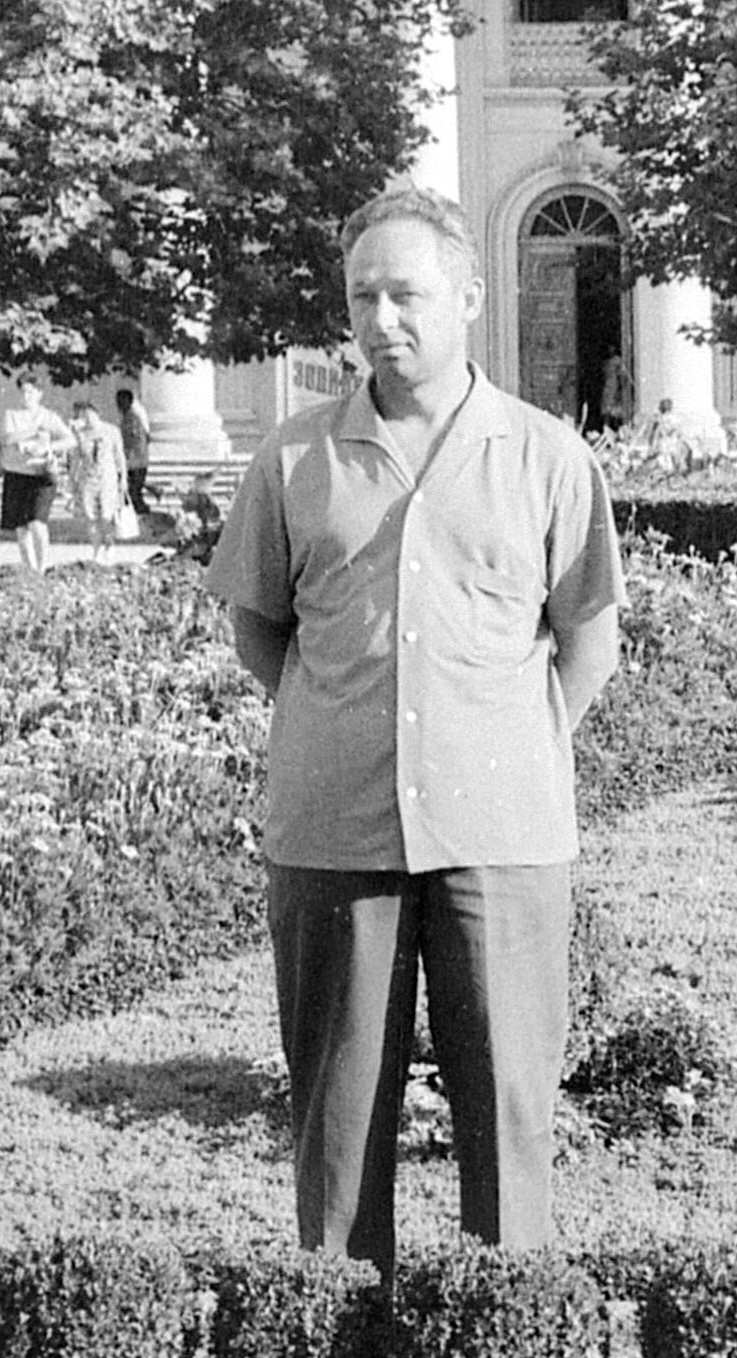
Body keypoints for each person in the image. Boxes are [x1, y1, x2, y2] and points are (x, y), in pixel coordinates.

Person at [206, 182, 626, 1270]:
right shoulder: (293, 459)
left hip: (503, 837)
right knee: (338, 1136)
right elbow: (260, 630)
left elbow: (587, 642)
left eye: (405, 294)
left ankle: (499, 1354)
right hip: (334, 832)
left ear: (470, 298)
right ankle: (344, 1349)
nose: (380, 320)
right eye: (362, 297)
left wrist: (497, 739)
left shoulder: (547, 457)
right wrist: (346, 719)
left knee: (510, 1131)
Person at [0, 373, 74, 573]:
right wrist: (34, 431)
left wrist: (48, 448)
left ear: (39, 393)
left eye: (30, 392)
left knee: (37, 523)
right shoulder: (11, 415)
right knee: (21, 528)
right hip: (17, 472)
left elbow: (70, 440)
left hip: (41, 474)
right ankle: (29, 568)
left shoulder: (49, 416)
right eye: (23, 392)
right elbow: (7, 438)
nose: (26, 396)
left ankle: (41, 567)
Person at [66, 399, 132, 553]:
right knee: (91, 516)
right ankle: (96, 549)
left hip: (107, 478)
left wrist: (123, 478)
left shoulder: (112, 431)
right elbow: (76, 458)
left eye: (88, 414)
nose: (87, 419)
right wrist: (72, 479)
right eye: (82, 416)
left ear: (96, 413)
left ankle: (109, 544)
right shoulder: (80, 434)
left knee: (106, 515)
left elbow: (119, 456)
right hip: (88, 478)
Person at [115, 386, 152, 514]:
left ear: (129, 401)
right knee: (132, 493)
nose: (119, 404)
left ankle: (142, 515)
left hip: (136, 462)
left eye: (122, 401)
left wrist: (127, 459)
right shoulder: (126, 418)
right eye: (118, 401)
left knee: (133, 493)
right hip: (134, 461)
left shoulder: (132, 419)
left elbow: (136, 442)